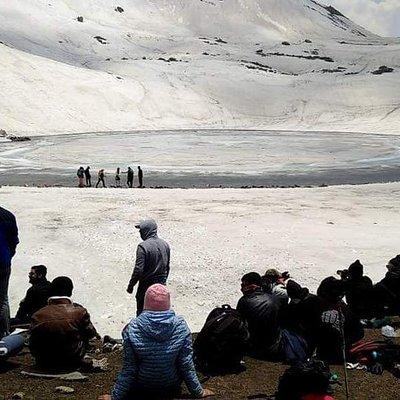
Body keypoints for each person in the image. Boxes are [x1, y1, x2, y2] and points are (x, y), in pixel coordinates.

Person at [99, 284, 213, 400]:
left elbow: (129, 368)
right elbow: (186, 364)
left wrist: (115, 397)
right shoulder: (180, 326)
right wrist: (199, 392)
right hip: (171, 385)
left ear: (145, 303)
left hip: (142, 386)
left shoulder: (132, 328)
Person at [29, 276, 98, 369]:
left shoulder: (38, 314)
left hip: (44, 362)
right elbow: (91, 333)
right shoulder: (79, 311)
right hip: (71, 360)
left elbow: (32, 342)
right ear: (70, 292)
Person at [127, 219, 170, 316]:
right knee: (161, 314)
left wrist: (131, 285)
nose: (139, 232)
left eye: (141, 230)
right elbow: (167, 267)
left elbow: (138, 270)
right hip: (161, 286)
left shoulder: (143, 247)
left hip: (145, 287)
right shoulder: (165, 245)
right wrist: (162, 283)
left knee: (142, 314)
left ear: (147, 230)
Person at [315, 277, 364, 363]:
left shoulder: (315, 308)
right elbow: (359, 333)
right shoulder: (346, 310)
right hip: (340, 353)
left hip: (324, 354)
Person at [237, 272, 282, 359]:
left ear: (252, 285)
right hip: (275, 345)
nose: (241, 287)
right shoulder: (275, 299)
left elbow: (240, 325)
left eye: (244, 285)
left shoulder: (244, 301)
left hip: (254, 348)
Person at [0, 206, 19, 338]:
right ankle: (4, 334)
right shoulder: (7, 215)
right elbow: (14, 242)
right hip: (3, 262)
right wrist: (8, 256)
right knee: (2, 300)